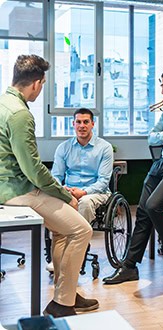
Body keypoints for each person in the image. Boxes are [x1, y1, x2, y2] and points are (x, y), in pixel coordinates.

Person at [0, 55, 98, 318]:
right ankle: (62, 304)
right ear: (35, 83)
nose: (41, 89)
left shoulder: (3, 102)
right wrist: (64, 195)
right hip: (18, 191)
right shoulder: (20, 113)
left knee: (63, 231)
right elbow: (32, 169)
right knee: (82, 230)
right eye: (42, 84)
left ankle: (65, 294)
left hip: (8, 187)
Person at [103, 67, 163, 285]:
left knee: (153, 205)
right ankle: (129, 266)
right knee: (143, 211)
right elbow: (151, 138)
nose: (161, 91)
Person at [51, 107, 114, 223]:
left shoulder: (105, 148)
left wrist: (84, 192)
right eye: (78, 122)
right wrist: (61, 188)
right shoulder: (63, 147)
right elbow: (56, 175)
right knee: (52, 201)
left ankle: (81, 239)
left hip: (95, 192)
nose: (82, 126)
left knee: (85, 202)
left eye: (86, 122)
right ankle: (61, 238)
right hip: (69, 190)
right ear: (73, 124)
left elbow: (103, 181)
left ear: (92, 124)